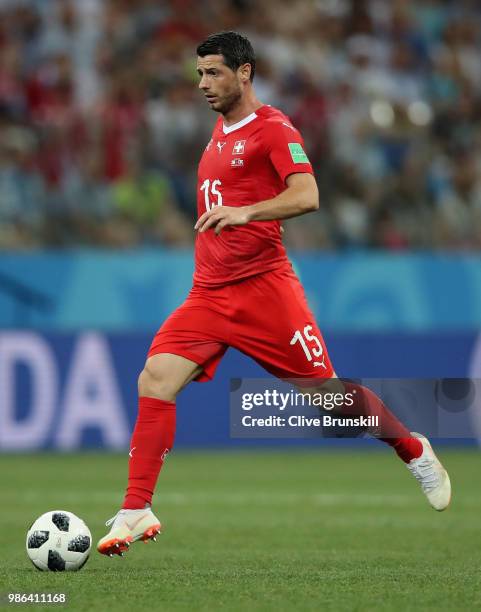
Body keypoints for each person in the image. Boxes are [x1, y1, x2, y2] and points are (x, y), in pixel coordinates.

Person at [97, 31, 451, 557]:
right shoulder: (219, 131)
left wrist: (247, 211)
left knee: (330, 400)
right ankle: (135, 507)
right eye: (199, 73)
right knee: (155, 378)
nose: (203, 83)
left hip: (265, 292)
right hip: (209, 295)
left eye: (213, 72)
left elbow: (307, 194)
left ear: (245, 72)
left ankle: (411, 447)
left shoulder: (273, 128)